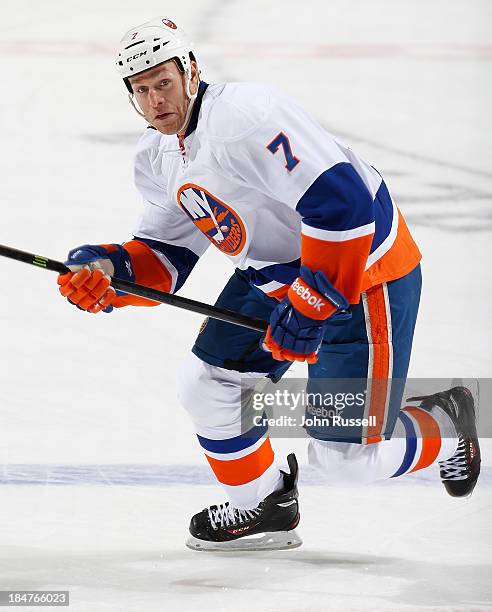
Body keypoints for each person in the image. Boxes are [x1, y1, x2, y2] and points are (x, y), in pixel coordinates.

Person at [57, 16, 481, 551]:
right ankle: (265, 502)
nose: (154, 99)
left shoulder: (246, 116)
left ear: (190, 70)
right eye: (141, 90)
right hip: (275, 277)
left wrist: (313, 302)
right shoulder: (157, 156)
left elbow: (343, 203)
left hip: (365, 273)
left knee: (347, 461)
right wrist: (108, 272)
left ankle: (444, 425)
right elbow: (166, 255)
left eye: (162, 81)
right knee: (206, 384)